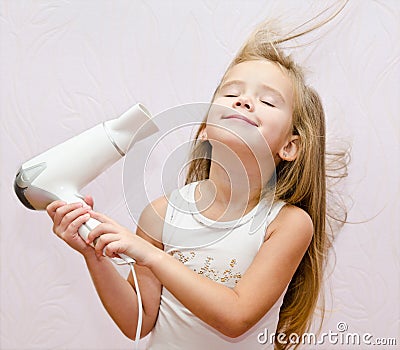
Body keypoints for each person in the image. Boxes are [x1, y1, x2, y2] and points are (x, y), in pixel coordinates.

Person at [46, 15, 348, 350]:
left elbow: (237, 317)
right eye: (231, 93)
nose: (244, 101)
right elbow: (138, 321)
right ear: (204, 130)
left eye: (267, 101)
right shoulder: (161, 215)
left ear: (289, 146)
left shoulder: (287, 224)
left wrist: (151, 256)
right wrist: (95, 256)